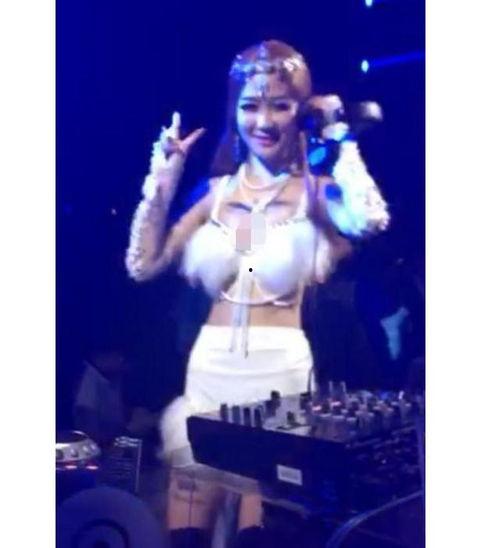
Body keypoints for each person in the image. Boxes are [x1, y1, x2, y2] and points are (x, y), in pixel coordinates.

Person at [125, 40, 389, 547]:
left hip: (279, 381)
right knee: (187, 532)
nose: (263, 121)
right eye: (250, 105)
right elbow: (143, 265)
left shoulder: (315, 191)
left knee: (263, 531)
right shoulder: (216, 192)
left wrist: (338, 134)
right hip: (208, 374)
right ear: (235, 110)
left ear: (300, 111)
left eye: (280, 105)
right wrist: (163, 178)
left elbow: (370, 219)